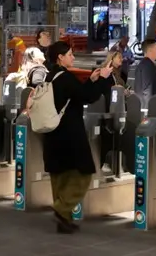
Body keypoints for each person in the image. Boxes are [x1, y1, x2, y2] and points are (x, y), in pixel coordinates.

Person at [42, 41, 113, 233]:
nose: (73, 57)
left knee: (60, 177)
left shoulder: (50, 76)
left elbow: (77, 93)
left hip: (52, 134)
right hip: (69, 134)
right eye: (70, 54)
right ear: (60, 57)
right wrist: (103, 79)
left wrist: (91, 80)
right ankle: (61, 209)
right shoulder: (65, 77)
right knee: (83, 174)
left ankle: (64, 222)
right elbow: (86, 97)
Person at [133, 38, 156, 107]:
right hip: (149, 107)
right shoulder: (148, 66)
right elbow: (147, 90)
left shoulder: (142, 64)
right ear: (150, 50)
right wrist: (147, 110)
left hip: (142, 105)